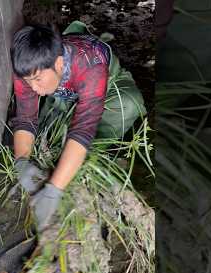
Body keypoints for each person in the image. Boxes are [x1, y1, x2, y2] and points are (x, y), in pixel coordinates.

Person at [10, 22, 146, 230]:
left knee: (127, 105)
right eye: (28, 81)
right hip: (65, 92)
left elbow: (82, 131)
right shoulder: (28, 69)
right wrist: (21, 163)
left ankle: (94, 155)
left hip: (105, 86)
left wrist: (53, 191)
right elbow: (26, 118)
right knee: (48, 137)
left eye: (37, 80)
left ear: (57, 64)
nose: (33, 88)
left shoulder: (91, 66)